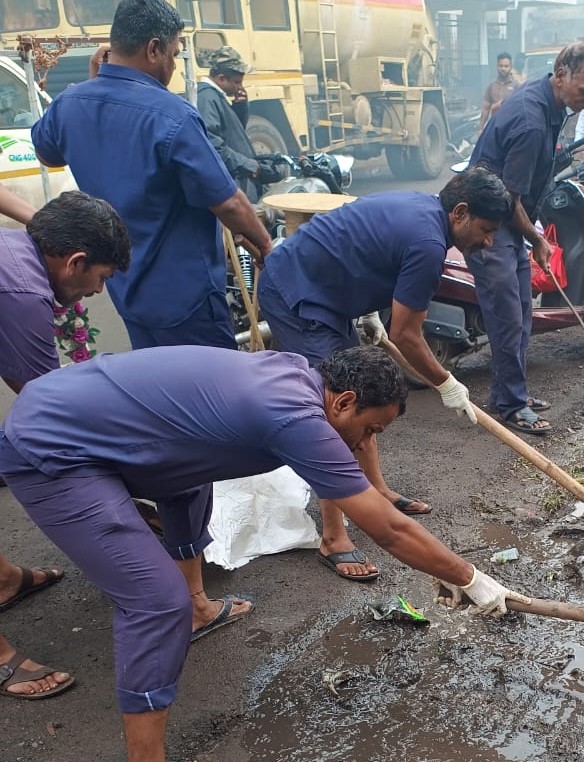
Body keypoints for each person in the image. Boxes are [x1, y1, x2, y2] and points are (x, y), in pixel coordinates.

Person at [0, 344, 528, 760]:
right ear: (342, 401)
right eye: (369, 430)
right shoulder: (295, 416)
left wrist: (442, 568)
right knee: (155, 601)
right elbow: (389, 529)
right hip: (53, 445)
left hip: (87, 409)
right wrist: (472, 579)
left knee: (192, 478)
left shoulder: (297, 374)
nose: (363, 442)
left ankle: (200, 607)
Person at [31, 0, 272, 641]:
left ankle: (163, 527)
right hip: (184, 297)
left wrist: (89, 81)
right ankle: (192, 595)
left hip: (123, 286)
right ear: (159, 50)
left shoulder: (76, 102)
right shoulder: (172, 114)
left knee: (152, 408)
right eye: (176, 50)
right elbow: (227, 200)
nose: (176, 62)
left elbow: (47, 148)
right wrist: (270, 250)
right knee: (194, 433)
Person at [257, 167, 513, 581]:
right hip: (296, 294)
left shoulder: (423, 209)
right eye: (485, 230)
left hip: (327, 293)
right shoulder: (430, 242)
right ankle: (333, 537)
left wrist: (369, 309)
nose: (488, 241)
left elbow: (364, 251)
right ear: (460, 213)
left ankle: (376, 491)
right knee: (337, 413)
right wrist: (446, 384)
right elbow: (408, 336)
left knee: (364, 397)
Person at [0, 189, 131, 699]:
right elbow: (47, 407)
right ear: (75, 260)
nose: (97, 293)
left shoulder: (18, 252)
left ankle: (4, 580)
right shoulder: (22, 294)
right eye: (99, 279)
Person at [468, 36, 584, 436]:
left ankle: (509, 393)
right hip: (489, 226)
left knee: (522, 314)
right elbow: (508, 198)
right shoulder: (531, 119)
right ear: (562, 74)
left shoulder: (550, 100)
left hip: (507, 222)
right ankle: (510, 407)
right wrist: (538, 238)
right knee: (507, 318)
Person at [196, 46, 281, 204]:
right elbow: (212, 146)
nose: (240, 87)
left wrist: (240, 108)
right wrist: (248, 165)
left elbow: (232, 134)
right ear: (221, 78)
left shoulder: (216, 97)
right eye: (237, 82)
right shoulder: (207, 98)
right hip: (230, 186)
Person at [479, 52, 520, 132]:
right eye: (500, 66)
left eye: (506, 66)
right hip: (494, 127)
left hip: (511, 128)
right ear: (497, 66)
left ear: (511, 67)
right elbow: (485, 109)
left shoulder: (516, 86)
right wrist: (480, 128)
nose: (503, 69)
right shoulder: (491, 86)